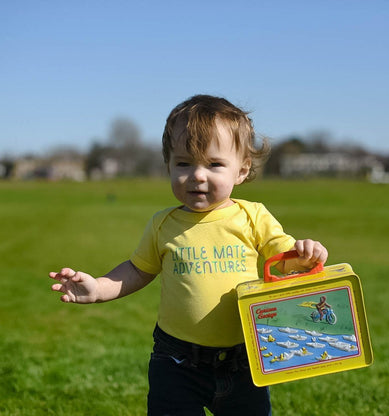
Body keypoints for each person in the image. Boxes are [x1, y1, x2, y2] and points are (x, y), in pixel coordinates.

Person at [49, 94, 328, 415]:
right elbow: (138, 270)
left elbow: (286, 259)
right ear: (168, 164)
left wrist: (306, 254)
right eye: (184, 163)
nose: (197, 175)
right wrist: (98, 288)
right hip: (176, 361)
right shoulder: (163, 224)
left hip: (244, 358)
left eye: (214, 164)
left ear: (242, 169)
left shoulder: (253, 217)